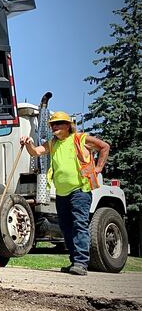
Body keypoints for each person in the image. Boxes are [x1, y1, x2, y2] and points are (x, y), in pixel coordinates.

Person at [21, 111, 110, 276]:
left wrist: (98, 168)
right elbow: (35, 152)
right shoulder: (52, 143)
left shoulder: (80, 138)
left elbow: (104, 147)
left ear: (68, 125)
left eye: (58, 123)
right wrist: (28, 143)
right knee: (66, 227)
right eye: (52, 124)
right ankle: (74, 262)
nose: (54, 127)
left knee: (79, 225)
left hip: (80, 191)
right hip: (62, 193)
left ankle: (81, 262)